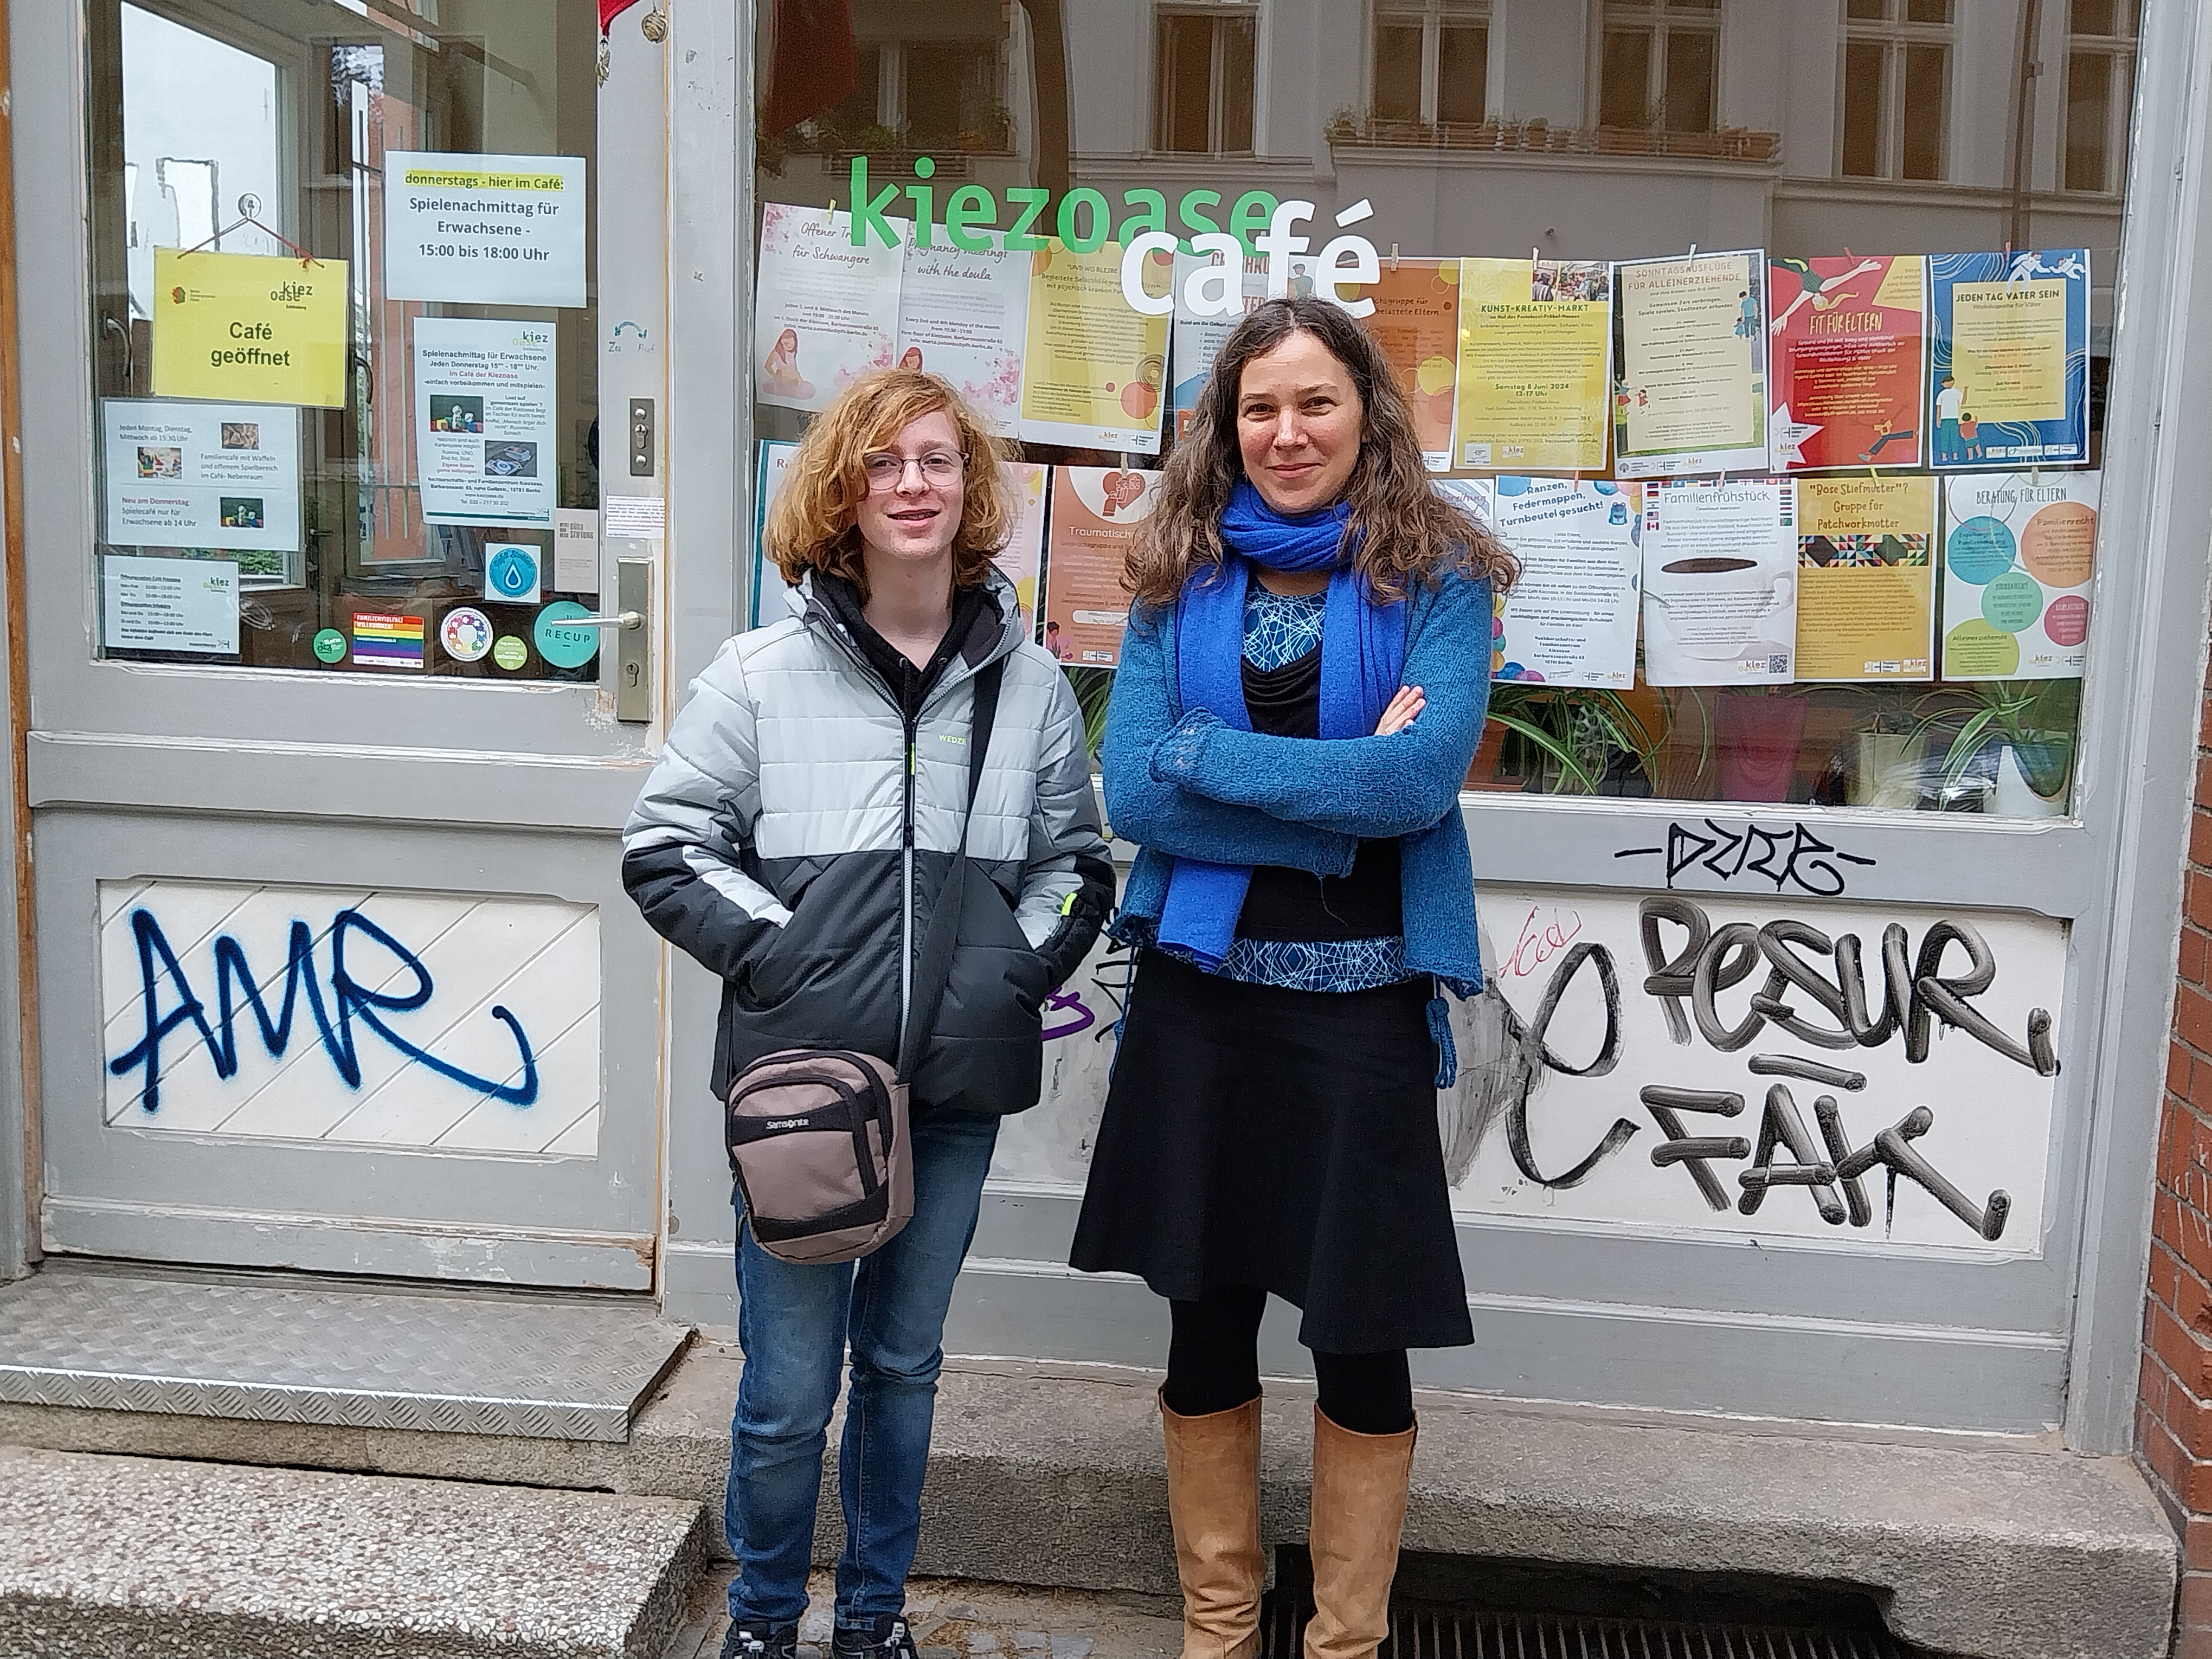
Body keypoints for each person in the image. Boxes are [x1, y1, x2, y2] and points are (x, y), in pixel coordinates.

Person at [623, 369, 1113, 1659]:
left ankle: (875, 1622)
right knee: (788, 1395)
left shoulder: (1029, 685)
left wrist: (1013, 971)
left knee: (902, 1371)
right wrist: (794, 963)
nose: (913, 483)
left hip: (950, 1099)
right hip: (800, 1097)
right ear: (843, 490)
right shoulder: (761, 675)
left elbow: (1079, 861)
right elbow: (665, 850)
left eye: (939, 461)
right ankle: (765, 1625)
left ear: (971, 491)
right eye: (886, 461)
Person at [1070, 297, 1515, 1659]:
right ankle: (1219, 1631)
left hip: (1363, 1010)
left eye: (1315, 401)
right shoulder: (1175, 576)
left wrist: (1215, 755)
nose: (1287, 431)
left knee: (1358, 1338)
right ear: (1225, 426)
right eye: (1259, 408)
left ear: (1368, 411)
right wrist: (1333, 797)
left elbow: (1416, 779)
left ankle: (1341, 1645)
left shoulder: (1439, 578)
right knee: (1205, 1324)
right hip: (1204, 1005)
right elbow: (1138, 791)